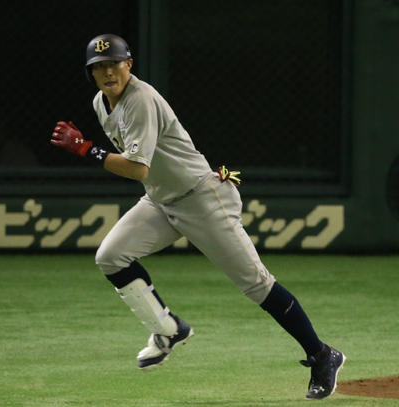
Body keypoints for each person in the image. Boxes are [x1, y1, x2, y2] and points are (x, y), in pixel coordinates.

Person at [50, 34, 346, 400]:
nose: (108, 72)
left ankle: (322, 355)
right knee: (110, 256)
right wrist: (88, 150)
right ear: (91, 74)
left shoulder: (140, 99)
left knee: (256, 284)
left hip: (202, 199)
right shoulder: (101, 102)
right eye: (100, 67)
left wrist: (85, 149)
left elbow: (138, 168)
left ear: (129, 65)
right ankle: (168, 329)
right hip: (161, 200)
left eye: (115, 63)